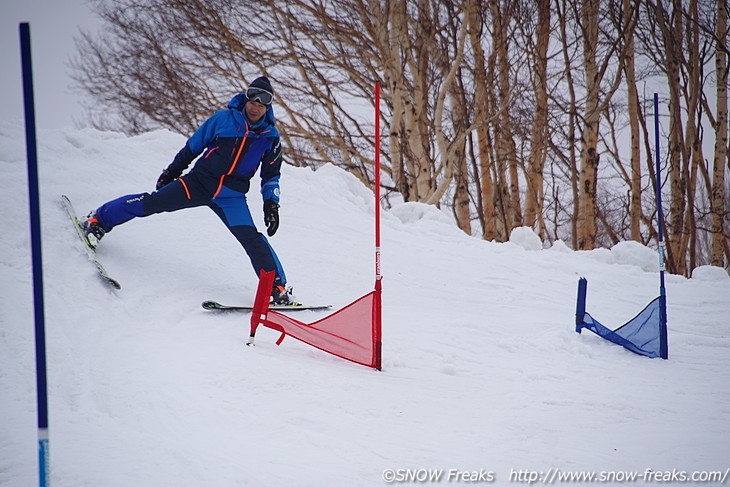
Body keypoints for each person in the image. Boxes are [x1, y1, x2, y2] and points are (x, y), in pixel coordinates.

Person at [81, 76, 297, 305]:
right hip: (198, 183)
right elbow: (194, 145)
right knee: (153, 203)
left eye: (261, 105)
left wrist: (271, 204)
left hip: (231, 196)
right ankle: (98, 221)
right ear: (245, 100)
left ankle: (277, 288)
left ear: (267, 108)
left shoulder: (270, 138)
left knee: (252, 239)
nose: (255, 108)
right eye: (252, 102)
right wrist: (173, 170)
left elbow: (271, 175)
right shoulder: (223, 119)